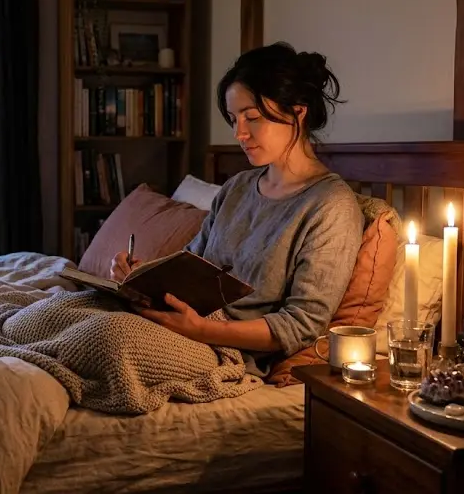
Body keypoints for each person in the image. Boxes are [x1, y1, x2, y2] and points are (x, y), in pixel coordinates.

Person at [109, 42, 364, 376]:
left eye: (252, 118)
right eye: (234, 119)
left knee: (106, 338)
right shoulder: (238, 187)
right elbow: (191, 262)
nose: (239, 133)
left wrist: (200, 330)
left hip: (225, 347)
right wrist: (143, 276)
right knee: (58, 307)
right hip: (185, 324)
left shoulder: (331, 206)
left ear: (298, 113)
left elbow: (301, 324)